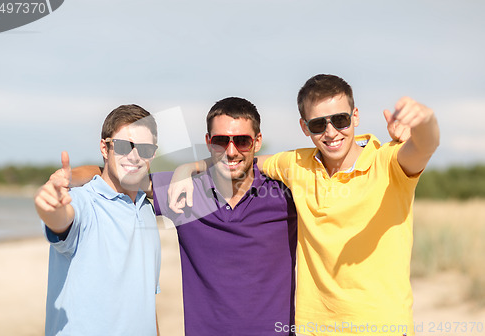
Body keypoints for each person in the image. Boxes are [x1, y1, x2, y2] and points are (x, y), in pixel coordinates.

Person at [170, 75, 439, 336]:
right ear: (304, 127)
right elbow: (237, 158)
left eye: (341, 120)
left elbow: (424, 147)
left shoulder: (388, 162)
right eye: (318, 125)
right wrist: (187, 168)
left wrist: (425, 122)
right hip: (313, 328)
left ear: (355, 116)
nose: (331, 132)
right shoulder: (297, 164)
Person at [69, 97, 298, 336]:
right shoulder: (186, 191)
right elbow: (116, 174)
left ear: (257, 141)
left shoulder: (285, 195)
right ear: (209, 142)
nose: (231, 151)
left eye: (242, 141)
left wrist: (190, 165)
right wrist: (65, 177)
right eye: (221, 141)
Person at [34, 104, 161, 336]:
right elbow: (63, 220)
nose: (134, 156)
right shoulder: (83, 202)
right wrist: (51, 209)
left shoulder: (146, 209)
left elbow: (146, 301)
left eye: (144, 149)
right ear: (105, 147)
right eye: (123, 146)